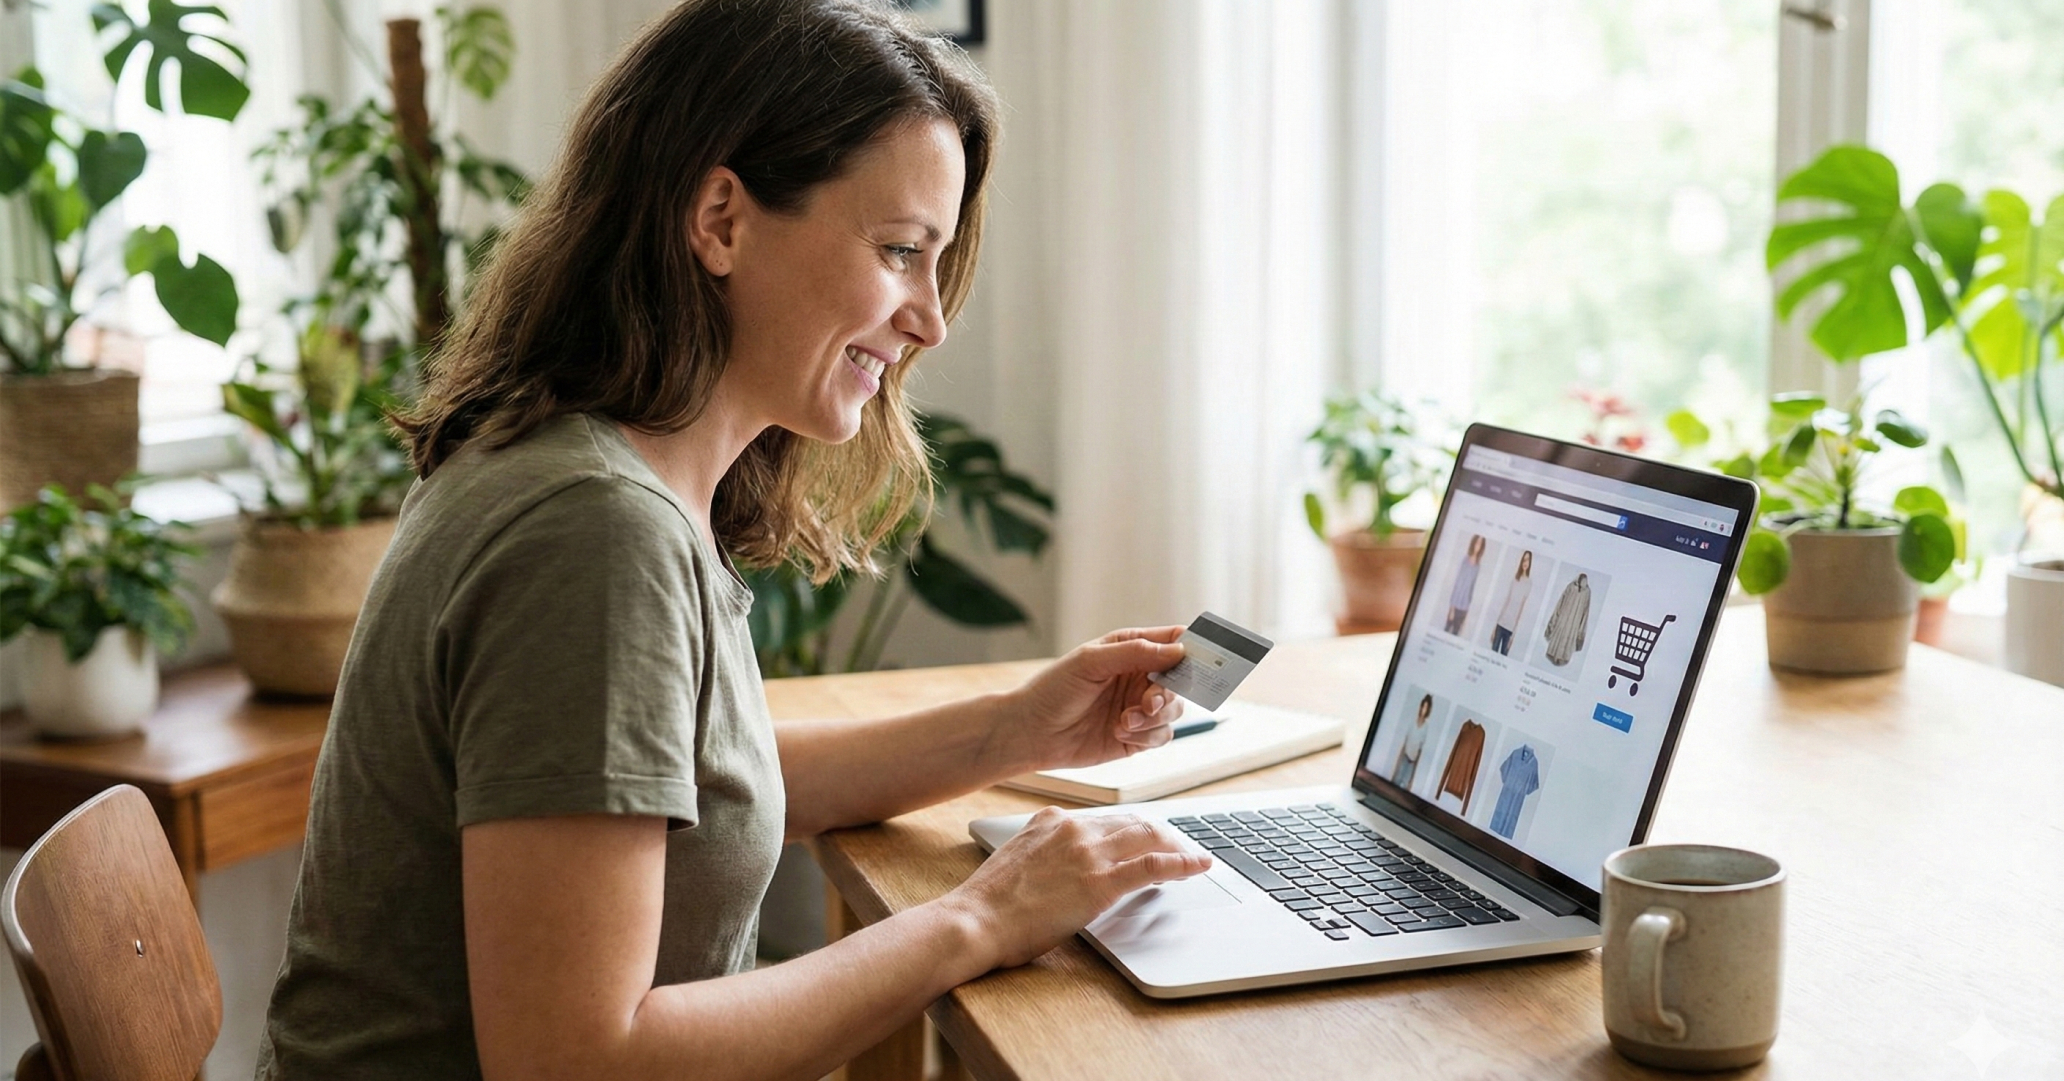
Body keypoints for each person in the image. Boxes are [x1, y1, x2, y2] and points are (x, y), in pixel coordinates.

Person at [255, 3, 1211, 1078]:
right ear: (719, 220)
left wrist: (1012, 731)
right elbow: (576, 1062)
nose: (930, 318)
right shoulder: (591, 531)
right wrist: (981, 917)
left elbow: (692, 790)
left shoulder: (591, 471)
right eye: (901, 250)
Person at [1489, 550, 1533, 655]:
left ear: (1530, 562)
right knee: (1491, 655)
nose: (1525, 562)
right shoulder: (1515, 579)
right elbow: (1506, 602)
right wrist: (1495, 627)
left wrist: (1513, 635)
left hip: (1510, 629)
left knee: (1502, 658)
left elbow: (1521, 610)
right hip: (1501, 624)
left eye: (1527, 560)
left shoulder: (1528, 583)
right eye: (1524, 560)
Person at [1444, 534, 1487, 635]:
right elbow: (1457, 583)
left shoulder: (1477, 567)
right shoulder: (1464, 560)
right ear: (1473, 543)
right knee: (1446, 630)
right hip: (1455, 605)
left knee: (1455, 633)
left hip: (1464, 608)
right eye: (1477, 542)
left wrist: (1467, 615)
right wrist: (1452, 609)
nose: (1478, 545)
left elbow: (1471, 589)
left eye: (1480, 544)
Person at [1391, 693, 1434, 790]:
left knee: (1404, 788)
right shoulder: (1412, 722)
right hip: (1404, 758)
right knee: (1395, 783)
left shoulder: (1425, 728)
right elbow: (1405, 743)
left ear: (1428, 710)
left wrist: (1413, 777)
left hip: (1412, 763)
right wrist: (1396, 766)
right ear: (1420, 707)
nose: (1424, 710)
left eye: (1426, 708)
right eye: (1423, 706)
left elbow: (1420, 751)